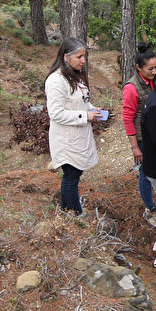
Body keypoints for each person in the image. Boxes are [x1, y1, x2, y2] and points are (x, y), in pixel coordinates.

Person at [46, 38, 107, 215]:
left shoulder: (74, 76)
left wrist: (93, 110)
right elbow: (56, 113)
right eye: (79, 56)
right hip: (66, 139)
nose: (83, 60)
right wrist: (85, 116)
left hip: (78, 135)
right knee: (71, 176)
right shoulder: (56, 80)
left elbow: (80, 102)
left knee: (74, 175)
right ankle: (75, 214)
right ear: (66, 57)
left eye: (84, 56)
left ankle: (68, 212)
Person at [123, 43, 156, 225]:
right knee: (146, 174)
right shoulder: (131, 87)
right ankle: (149, 208)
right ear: (139, 68)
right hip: (142, 138)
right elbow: (128, 118)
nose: (154, 71)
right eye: (150, 69)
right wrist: (135, 147)